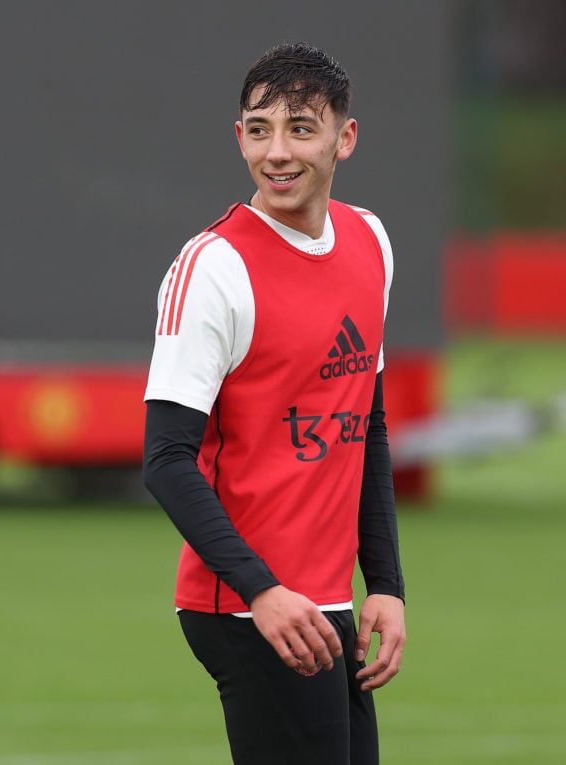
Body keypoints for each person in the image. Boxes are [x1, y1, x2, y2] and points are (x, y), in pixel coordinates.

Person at [142, 42, 406, 765]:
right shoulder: (214, 269)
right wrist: (261, 590)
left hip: (327, 601)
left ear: (344, 139)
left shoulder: (370, 241)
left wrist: (384, 583)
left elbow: (366, 425)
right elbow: (165, 460)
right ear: (239, 137)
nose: (278, 151)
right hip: (249, 605)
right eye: (259, 129)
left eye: (301, 127)